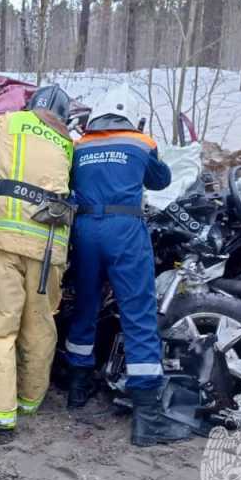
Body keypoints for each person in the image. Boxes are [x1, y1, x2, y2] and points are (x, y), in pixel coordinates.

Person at [63, 86, 190, 447]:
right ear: (133, 117)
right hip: (125, 230)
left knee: (85, 307)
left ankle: (77, 389)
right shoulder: (140, 142)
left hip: (86, 230)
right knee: (137, 315)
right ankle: (147, 420)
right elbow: (161, 180)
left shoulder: (79, 146)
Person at [0, 86, 74, 444]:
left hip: (2, 239)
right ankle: (29, 399)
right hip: (50, 248)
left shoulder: (9, 121)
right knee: (40, 324)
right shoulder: (68, 142)